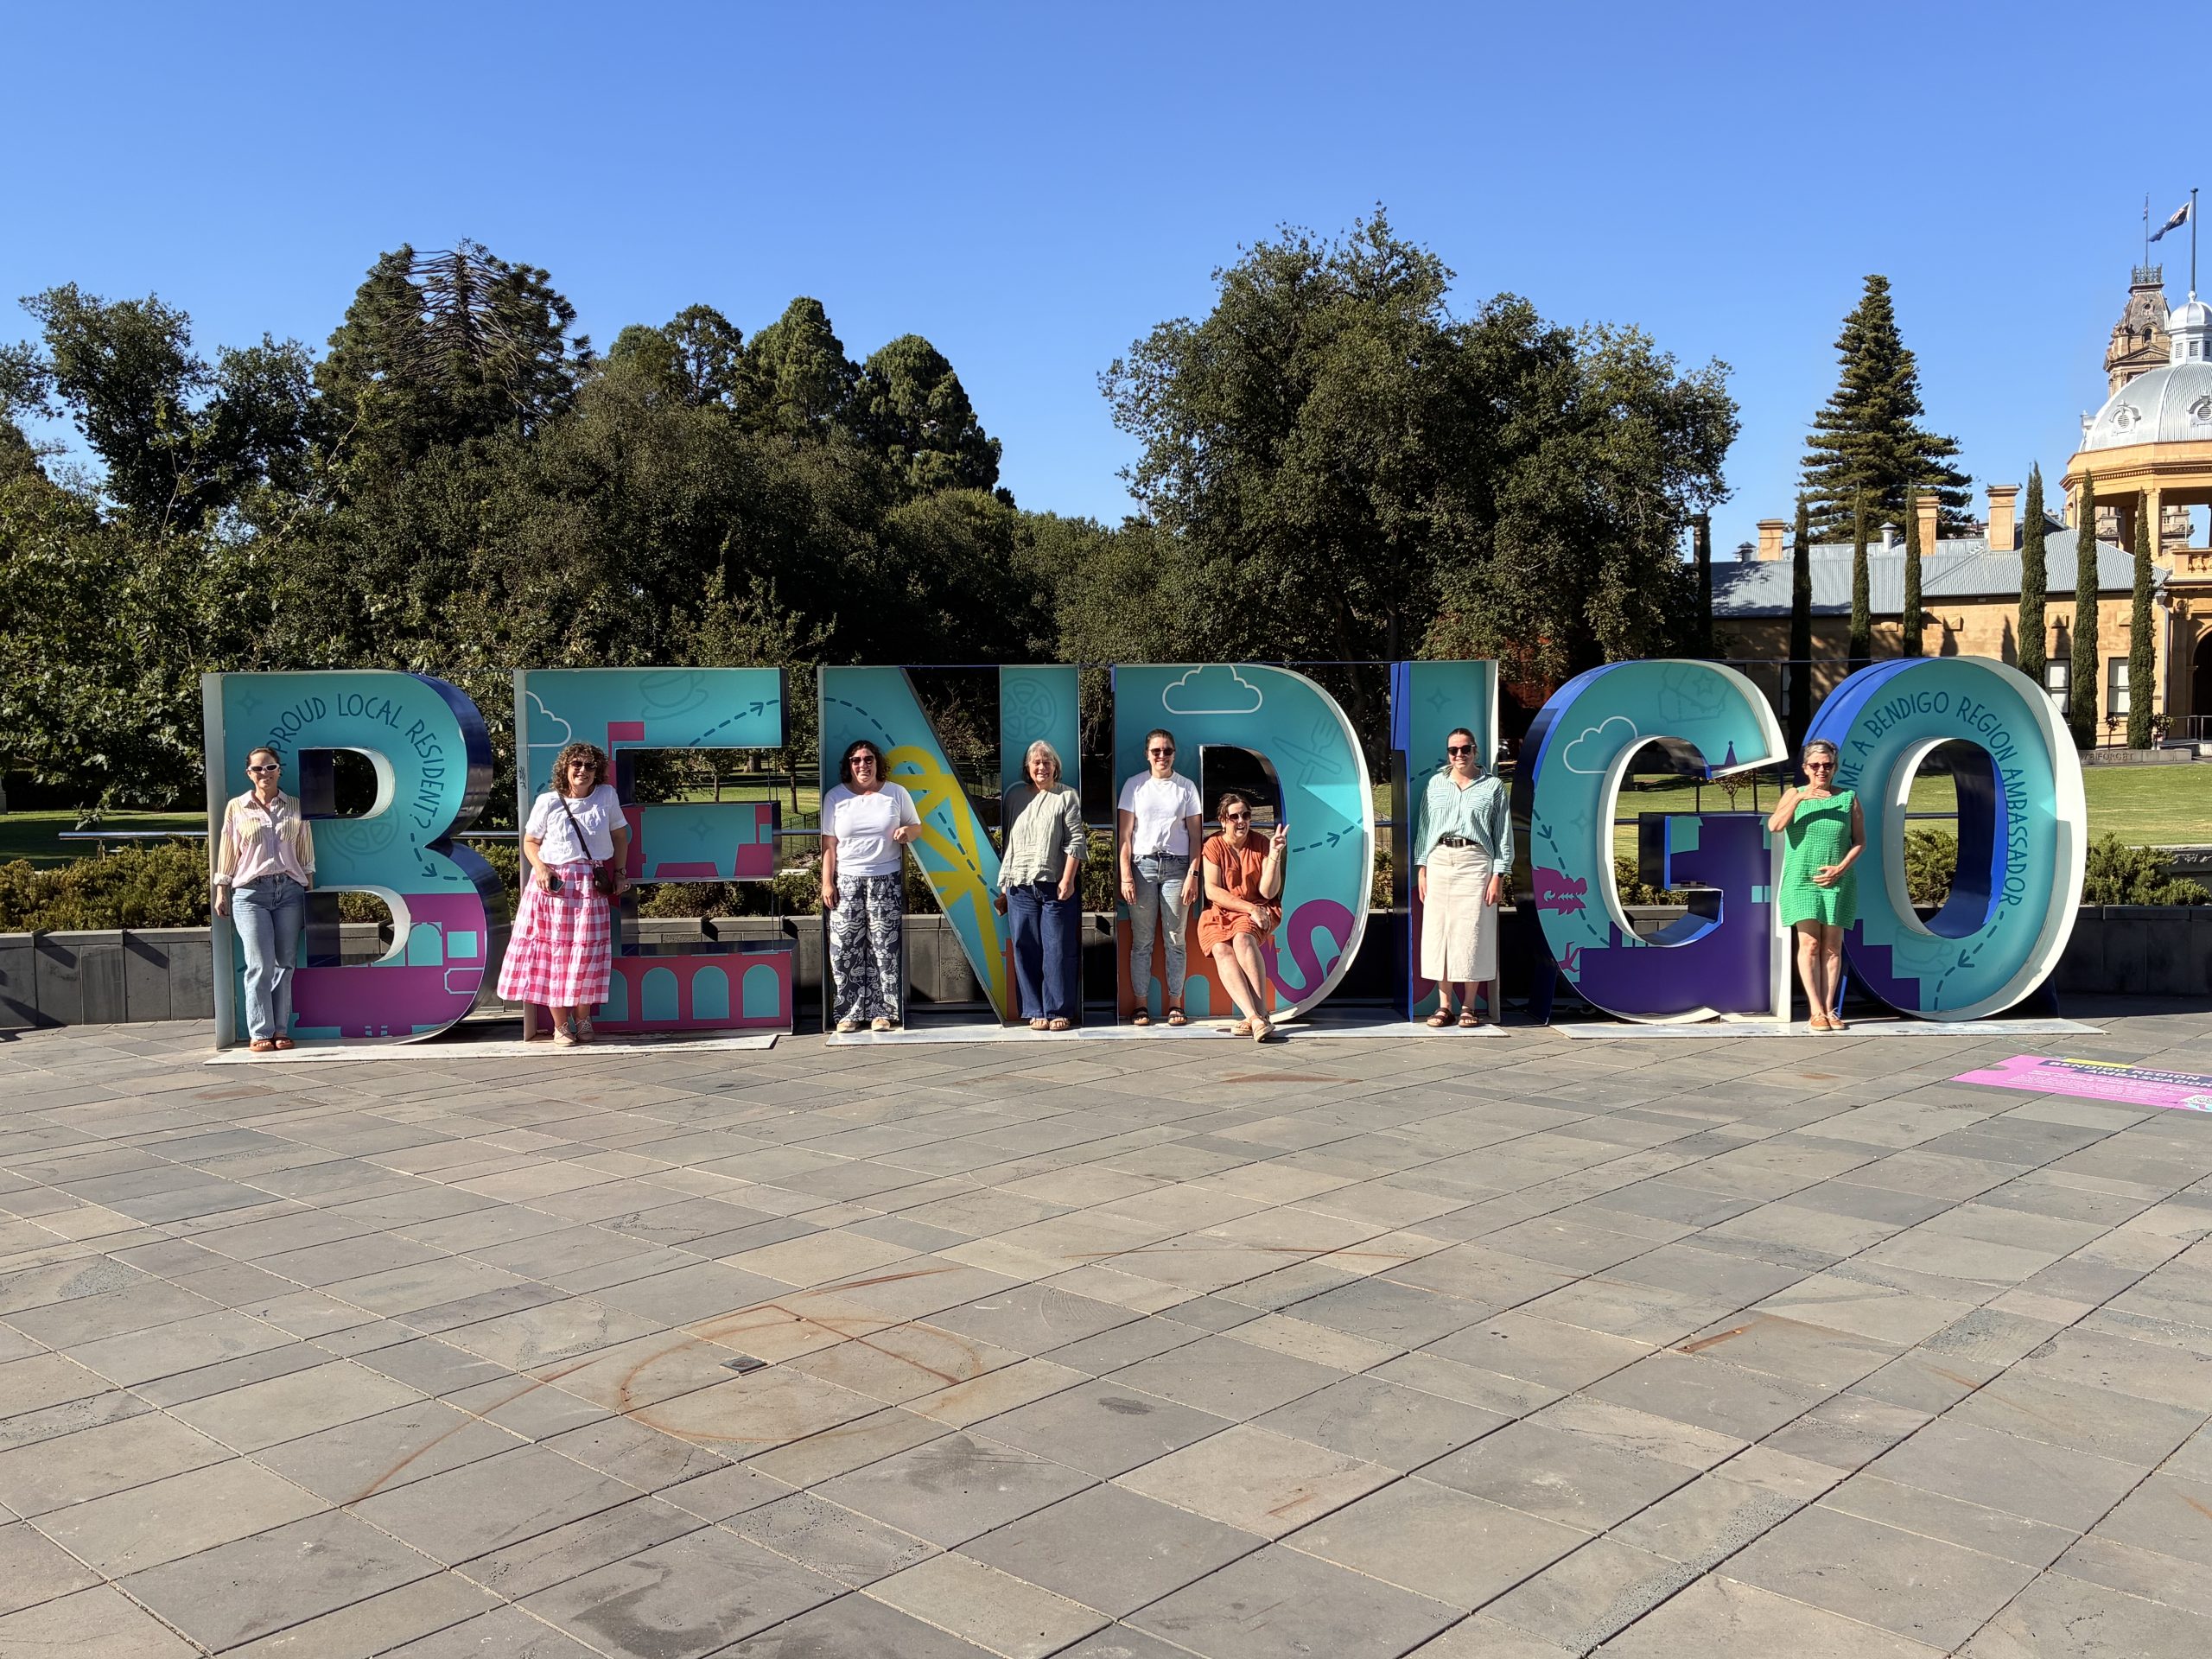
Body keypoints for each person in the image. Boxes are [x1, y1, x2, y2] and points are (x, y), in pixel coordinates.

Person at [499, 742, 629, 1047]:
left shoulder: (606, 796)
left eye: (589, 766)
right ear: (566, 768)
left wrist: (620, 873)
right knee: (553, 954)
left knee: (586, 954)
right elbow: (530, 842)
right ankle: (560, 1025)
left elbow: (620, 836)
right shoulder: (548, 801)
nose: (583, 770)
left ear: (598, 771)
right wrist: (541, 869)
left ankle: (583, 1018)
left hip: (589, 885)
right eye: (576, 764)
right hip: (553, 887)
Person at [213, 747, 316, 1052]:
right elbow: (228, 848)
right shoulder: (237, 807)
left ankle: (280, 1030)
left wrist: (309, 892)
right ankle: (260, 1031)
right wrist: (222, 888)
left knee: (285, 963)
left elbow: (306, 854)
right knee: (259, 964)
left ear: (279, 770)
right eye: (258, 769)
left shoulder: (295, 806)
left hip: (290, 891)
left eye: (270, 767)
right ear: (249, 773)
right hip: (250, 893)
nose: (265, 774)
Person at [821, 739, 924, 1033]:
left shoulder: (895, 793)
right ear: (848, 765)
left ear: (878, 763)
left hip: (886, 881)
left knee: (884, 948)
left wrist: (908, 832)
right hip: (847, 880)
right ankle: (848, 1012)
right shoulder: (835, 798)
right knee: (843, 949)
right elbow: (829, 844)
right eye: (856, 760)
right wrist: (827, 882)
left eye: (868, 759)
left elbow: (917, 826)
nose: (862, 765)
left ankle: (884, 1012)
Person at [1414, 727, 1511, 1028]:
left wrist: (1499, 874)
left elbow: (1503, 833)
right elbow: (1425, 827)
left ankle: (1469, 1005)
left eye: (1465, 749)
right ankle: (1445, 1006)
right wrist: (1422, 867)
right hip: (1440, 858)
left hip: (1475, 860)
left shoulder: (1493, 786)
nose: (1459, 755)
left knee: (1472, 931)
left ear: (1476, 750)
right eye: (1453, 750)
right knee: (1438, 931)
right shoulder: (1435, 784)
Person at [1770, 738, 1864, 1031]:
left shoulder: (1848, 797)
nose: (1821, 770)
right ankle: (1815, 1010)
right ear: (1805, 768)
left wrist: (1841, 868)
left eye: (1827, 765)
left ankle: (1830, 1008)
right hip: (1801, 880)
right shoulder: (1793, 794)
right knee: (1809, 944)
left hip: (1838, 881)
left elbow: (1859, 841)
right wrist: (1800, 798)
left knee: (1833, 946)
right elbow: (1775, 825)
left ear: (1835, 767)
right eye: (1815, 765)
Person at [997, 741, 1088, 1032]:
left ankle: (1058, 1009)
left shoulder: (1067, 796)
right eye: (1036, 762)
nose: (1041, 767)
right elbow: (1010, 843)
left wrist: (1068, 879)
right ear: (1028, 767)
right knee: (1026, 947)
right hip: (1019, 885)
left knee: (1058, 949)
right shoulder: (1014, 798)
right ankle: (1035, 1010)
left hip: (1055, 885)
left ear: (1055, 766)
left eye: (1047, 762)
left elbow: (1076, 841)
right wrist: (1004, 887)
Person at [1117, 729, 1204, 1026]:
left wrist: (1193, 874)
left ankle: (1175, 1004)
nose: (1162, 756)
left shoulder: (1186, 788)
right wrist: (1126, 874)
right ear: (1147, 754)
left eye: (1167, 750)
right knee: (1141, 941)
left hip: (1178, 868)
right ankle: (1140, 1005)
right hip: (1142, 867)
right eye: (1156, 751)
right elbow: (1125, 836)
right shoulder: (1134, 786)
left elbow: (1195, 836)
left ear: (1174, 753)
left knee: (1175, 939)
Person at [1198, 791, 1289, 1042]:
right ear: (1223, 820)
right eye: (1235, 816)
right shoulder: (1213, 845)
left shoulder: (1261, 843)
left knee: (1242, 938)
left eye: (1246, 815)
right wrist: (1248, 909)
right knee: (1220, 948)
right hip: (1223, 910)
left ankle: (1259, 1014)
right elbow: (1212, 890)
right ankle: (1256, 1018)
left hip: (1259, 907)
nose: (1241, 821)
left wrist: (1274, 854)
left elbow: (1267, 892)